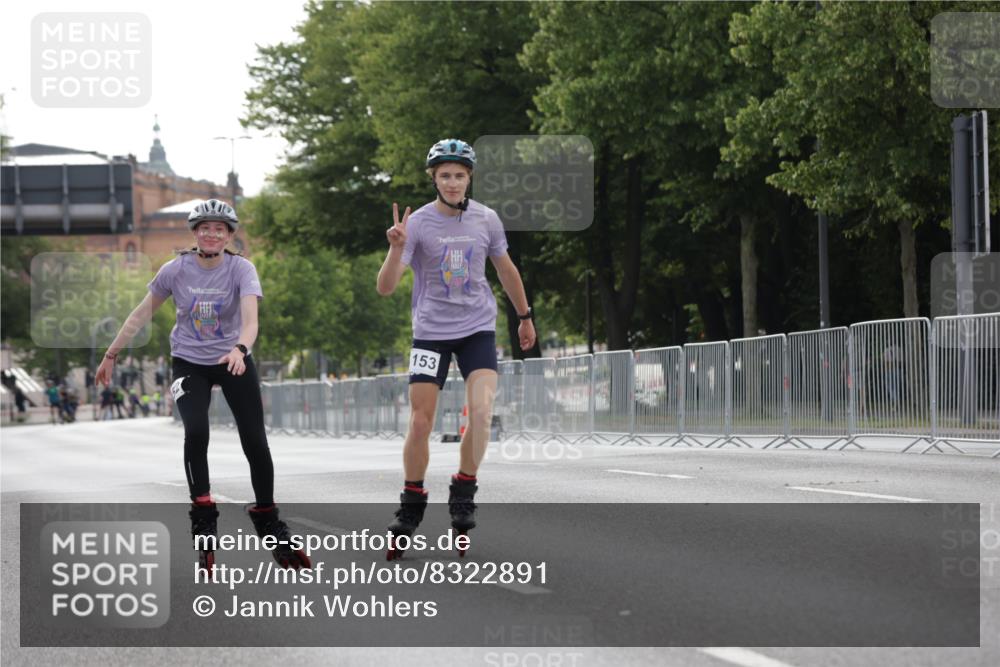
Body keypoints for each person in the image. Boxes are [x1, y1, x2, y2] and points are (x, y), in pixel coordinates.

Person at [95, 198, 309, 574]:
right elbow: (141, 313)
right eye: (205, 228)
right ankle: (204, 513)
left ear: (229, 236)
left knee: (255, 441)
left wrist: (241, 349)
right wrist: (111, 354)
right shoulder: (175, 270)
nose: (212, 234)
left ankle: (268, 516)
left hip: (233, 359)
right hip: (189, 361)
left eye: (220, 229)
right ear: (195, 233)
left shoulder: (241, 269)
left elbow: (251, 320)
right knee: (195, 429)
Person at [376, 138, 536, 559]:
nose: (451, 182)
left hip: (477, 329)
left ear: (469, 178)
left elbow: (506, 268)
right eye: (444, 175)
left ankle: (463, 491)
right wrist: (395, 248)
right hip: (430, 331)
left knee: (481, 413)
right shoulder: (419, 224)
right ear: (434, 178)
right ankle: (411, 505)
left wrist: (525, 315)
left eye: (459, 175)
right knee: (421, 421)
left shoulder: (486, 219)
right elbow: (386, 287)